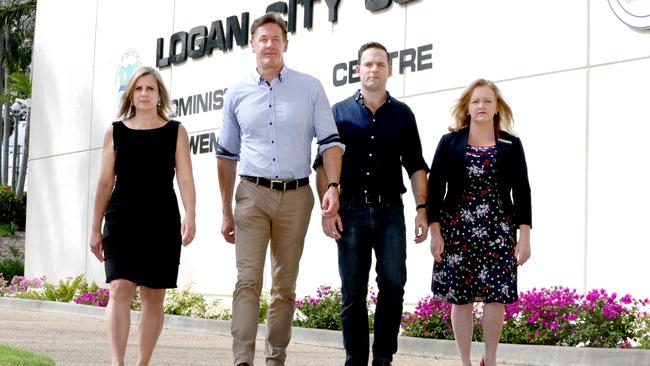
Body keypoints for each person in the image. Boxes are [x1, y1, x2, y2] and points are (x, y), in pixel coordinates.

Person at [215, 12, 344, 366]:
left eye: (275, 38)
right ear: (252, 45)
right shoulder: (236, 94)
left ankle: (276, 359)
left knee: (284, 287)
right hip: (251, 195)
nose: (269, 44)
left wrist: (333, 185)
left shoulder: (310, 87)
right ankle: (242, 359)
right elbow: (226, 157)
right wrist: (226, 210)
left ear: (285, 44)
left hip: (296, 196)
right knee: (248, 281)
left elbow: (330, 143)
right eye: (263, 39)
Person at [314, 41, 429, 366]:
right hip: (349, 212)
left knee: (393, 285)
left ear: (389, 70)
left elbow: (417, 166)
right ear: (358, 70)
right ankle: (355, 361)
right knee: (352, 292)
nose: (374, 69)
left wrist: (423, 209)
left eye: (380, 64)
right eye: (368, 64)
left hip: (391, 211)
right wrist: (327, 211)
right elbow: (322, 165)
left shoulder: (403, 115)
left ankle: (382, 359)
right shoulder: (339, 113)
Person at [89, 66, 196, 366]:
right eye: (139, 88)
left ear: (160, 94)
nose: (145, 93)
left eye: (150, 88)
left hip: (161, 220)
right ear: (131, 95)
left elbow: (185, 179)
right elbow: (104, 182)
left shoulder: (176, 131)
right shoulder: (115, 132)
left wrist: (191, 215)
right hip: (122, 218)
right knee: (119, 288)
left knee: (153, 296)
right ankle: (117, 362)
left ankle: (142, 363)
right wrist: (95, 227)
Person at [427, 79, 531, 366]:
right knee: (460, 299)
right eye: (476, 101)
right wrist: (436, 232)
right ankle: (465, 361)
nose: (481, 106)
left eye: (487, 101)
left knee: (495, 296)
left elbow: (522, 191)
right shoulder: (450, 142)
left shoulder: (511, 144)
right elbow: (434, 189)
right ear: (467, 107)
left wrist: (524, 236)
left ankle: (491, 358)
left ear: (497, 107)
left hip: (499, 230)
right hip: (457, 229)